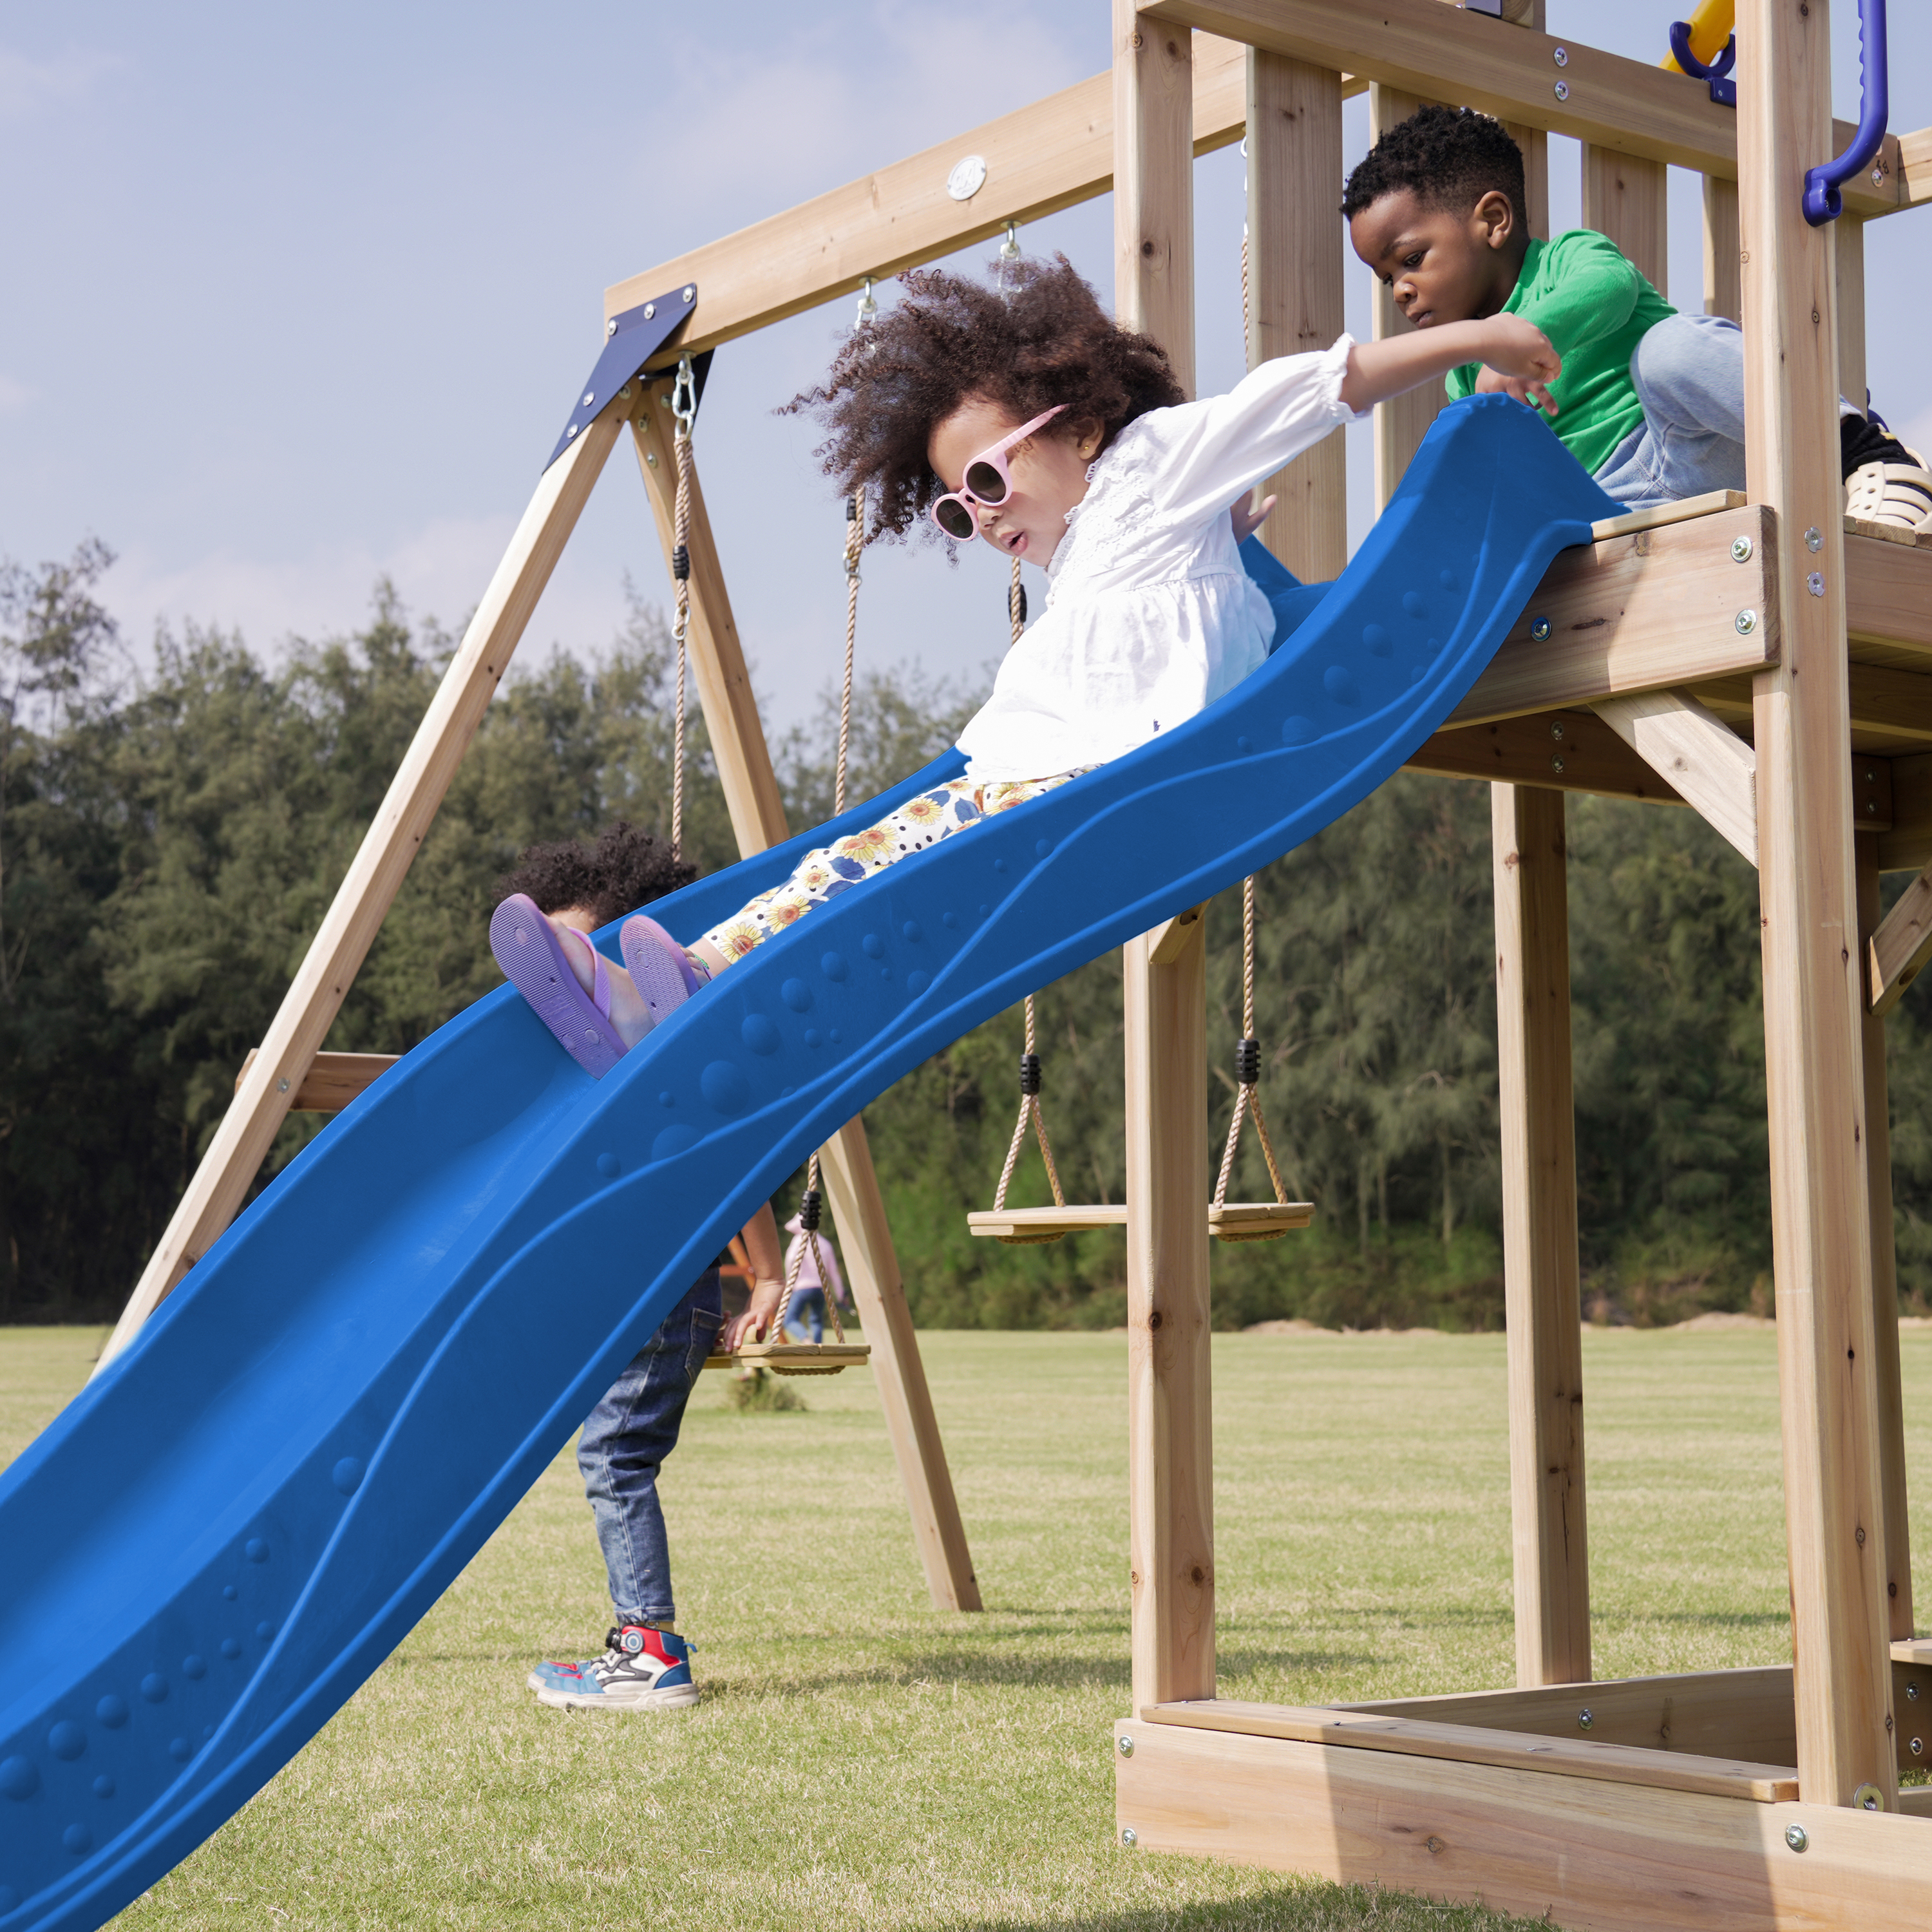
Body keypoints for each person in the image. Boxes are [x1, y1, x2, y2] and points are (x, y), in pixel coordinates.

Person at [489, 252, 1561, 1053]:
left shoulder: (1150, 460)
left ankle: (686, 981)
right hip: (1036, 782)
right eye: (958, 512)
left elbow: (1318, 388)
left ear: (1082, 424)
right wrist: (1226, 550)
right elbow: (1161, 602)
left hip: (1080, 789)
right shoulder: (1109, 534)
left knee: (864, 876)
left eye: (989, 484)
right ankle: (668, 986)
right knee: (846, 868)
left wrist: (1478, 343)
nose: (981, 517)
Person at [499, 824, 788, 1712]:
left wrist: (771, 1273)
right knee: (613, 1457)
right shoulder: (575, 1086)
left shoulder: (669, 1095)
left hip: (665, 1294)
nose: (560, 992)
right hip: (640, 1293)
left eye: (579, 964)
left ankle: (649, 1650)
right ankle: (643, 1642)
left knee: (615, 1458)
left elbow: (736, 1159)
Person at [1341, 102, 1931, 528]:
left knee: (1668, 350)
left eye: (1412, 260)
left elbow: (1612, 288)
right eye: (1387, 277)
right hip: (1616, 507)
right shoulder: (1464, 373)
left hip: (1691, 446)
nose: (1400, 290)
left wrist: (1526, 332)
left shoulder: (1569, 259)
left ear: (1493, 221)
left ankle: (1864, 451)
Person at [781, 1211, 847, 1343]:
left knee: (789, 1319)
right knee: (816, 1320)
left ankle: (805, 1339)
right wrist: (841, 1295)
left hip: (801, 1287)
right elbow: (834, 1273)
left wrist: (789, 1283)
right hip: (820, 1288)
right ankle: (818, 1346)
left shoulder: (799, 1241)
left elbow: (790, 1260)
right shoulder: (825, 1244)